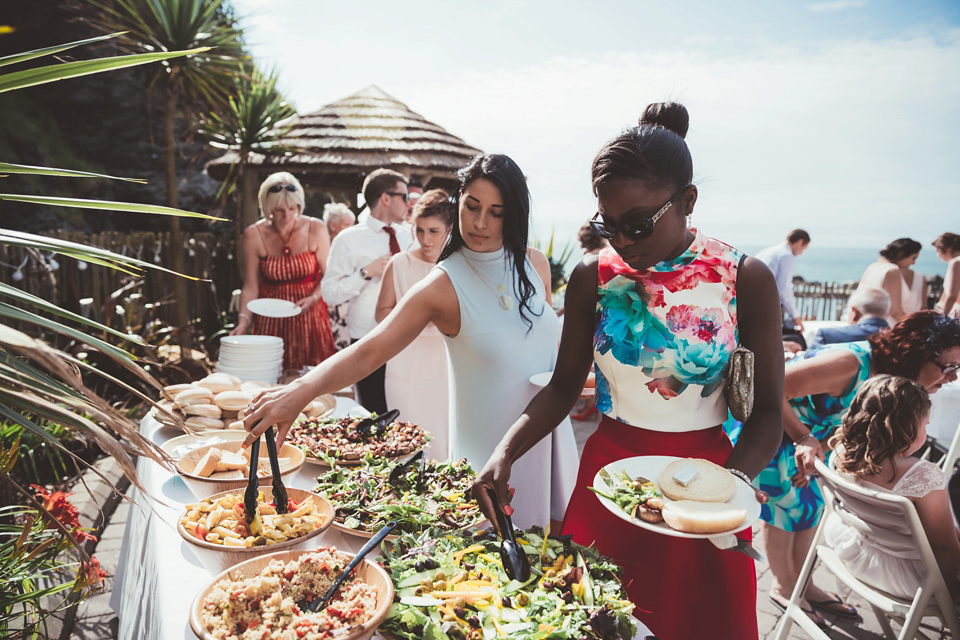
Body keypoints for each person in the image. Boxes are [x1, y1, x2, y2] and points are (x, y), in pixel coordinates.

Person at [472, 102, 785, 640]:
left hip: (705, 487)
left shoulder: (743, 276)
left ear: (687, 201)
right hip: (610, 483)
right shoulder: (593, 275)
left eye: (638, 224)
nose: (623, 241)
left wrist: (731, 486)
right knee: (594, 621)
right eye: (608, 225)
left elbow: (768, 413)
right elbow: (564, 387)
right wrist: (503, 454)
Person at [243, 153, 579, 530]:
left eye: (497, 212)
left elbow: (539, 341)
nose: (481, 223)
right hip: (489, 452)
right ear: (458, 204)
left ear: (514, 214)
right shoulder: (442, 284)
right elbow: (371, 349)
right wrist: (302, 389)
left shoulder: (535, 264)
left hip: (548, 434)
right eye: (472, 206)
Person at [757, 310, 960, 627]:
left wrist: (820, 447)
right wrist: (806, 438)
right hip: (777, 427)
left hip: (814, 440)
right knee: (783, 512)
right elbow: (772, 388)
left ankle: (804, 585)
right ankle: (783, 587)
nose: (953, 378)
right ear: (917, 355)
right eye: (948, 368)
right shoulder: (851, 365)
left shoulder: (895, 384)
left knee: (809, 508)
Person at [824, 375, 960, 603]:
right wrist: (949, 593)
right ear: (907, 428)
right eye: (925, 425)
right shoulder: (922, 476)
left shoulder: (840, 451)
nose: (925, 432)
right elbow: (944, 547)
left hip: (854, 551)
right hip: (913, 581)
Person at [320, 168, 413, 413]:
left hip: (409, 339)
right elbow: (329, 293)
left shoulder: (411, 236)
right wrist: (365, 273)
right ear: (385, 198)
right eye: (404, 196)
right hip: (367, 341)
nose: (409, 203)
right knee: (373, 416)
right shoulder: (348, 239)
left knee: (408, 414)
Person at [375, 189, 454, 460]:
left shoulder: (459, 267)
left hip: (446, 368)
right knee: (406, 443)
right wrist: (411, 320)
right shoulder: (400, 263)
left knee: (444, 444)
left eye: (433, 231)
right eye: (419, 231)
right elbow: (381, 312)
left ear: (450, 229)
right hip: (405, 365)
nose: (425, 239)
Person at [230, 172, 335, 371]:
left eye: (292, 208)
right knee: (268, 375)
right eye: (278, 210)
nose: (286, 215)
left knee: (313, 379)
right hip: (270, 317)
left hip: (309, 315)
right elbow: (251, 286)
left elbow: (329, 275)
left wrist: (312, 298)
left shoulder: (316, 228)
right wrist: (243, 322)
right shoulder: (254, 234)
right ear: (267, 207)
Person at [858, 237, 926, 327]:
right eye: (913, 258)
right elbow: (895, 311)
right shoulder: (892, 271)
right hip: (894, 329)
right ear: (902, 254)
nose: (914, 263)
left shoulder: (872, 267)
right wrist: (914, 330)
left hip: (870, 326)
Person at [756, 229, 810, 332]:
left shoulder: (768, 251)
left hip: (753, 300)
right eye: (804, 248)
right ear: (799, 242)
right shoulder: (787, 255)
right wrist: (796, 317)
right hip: (765, 305)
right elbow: (784, 289)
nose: (802, 253)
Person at [322, 202, 357, 352]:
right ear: (332, 226)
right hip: (324, 304)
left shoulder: (353, 246)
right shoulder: (323, 245)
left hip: (346, 304)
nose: (351, 229)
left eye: (352, 224)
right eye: (346, 224)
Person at [807, 287, 890, 350]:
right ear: (887, 313)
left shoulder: (828, 336)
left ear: (854, 312)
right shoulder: (898, 339)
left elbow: (804, 364)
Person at [933, 232, 960, 317]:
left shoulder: (956, 262)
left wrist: (941, 319)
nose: (938, 255)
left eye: (938, 251)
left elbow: (952, 296)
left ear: (948, 248)